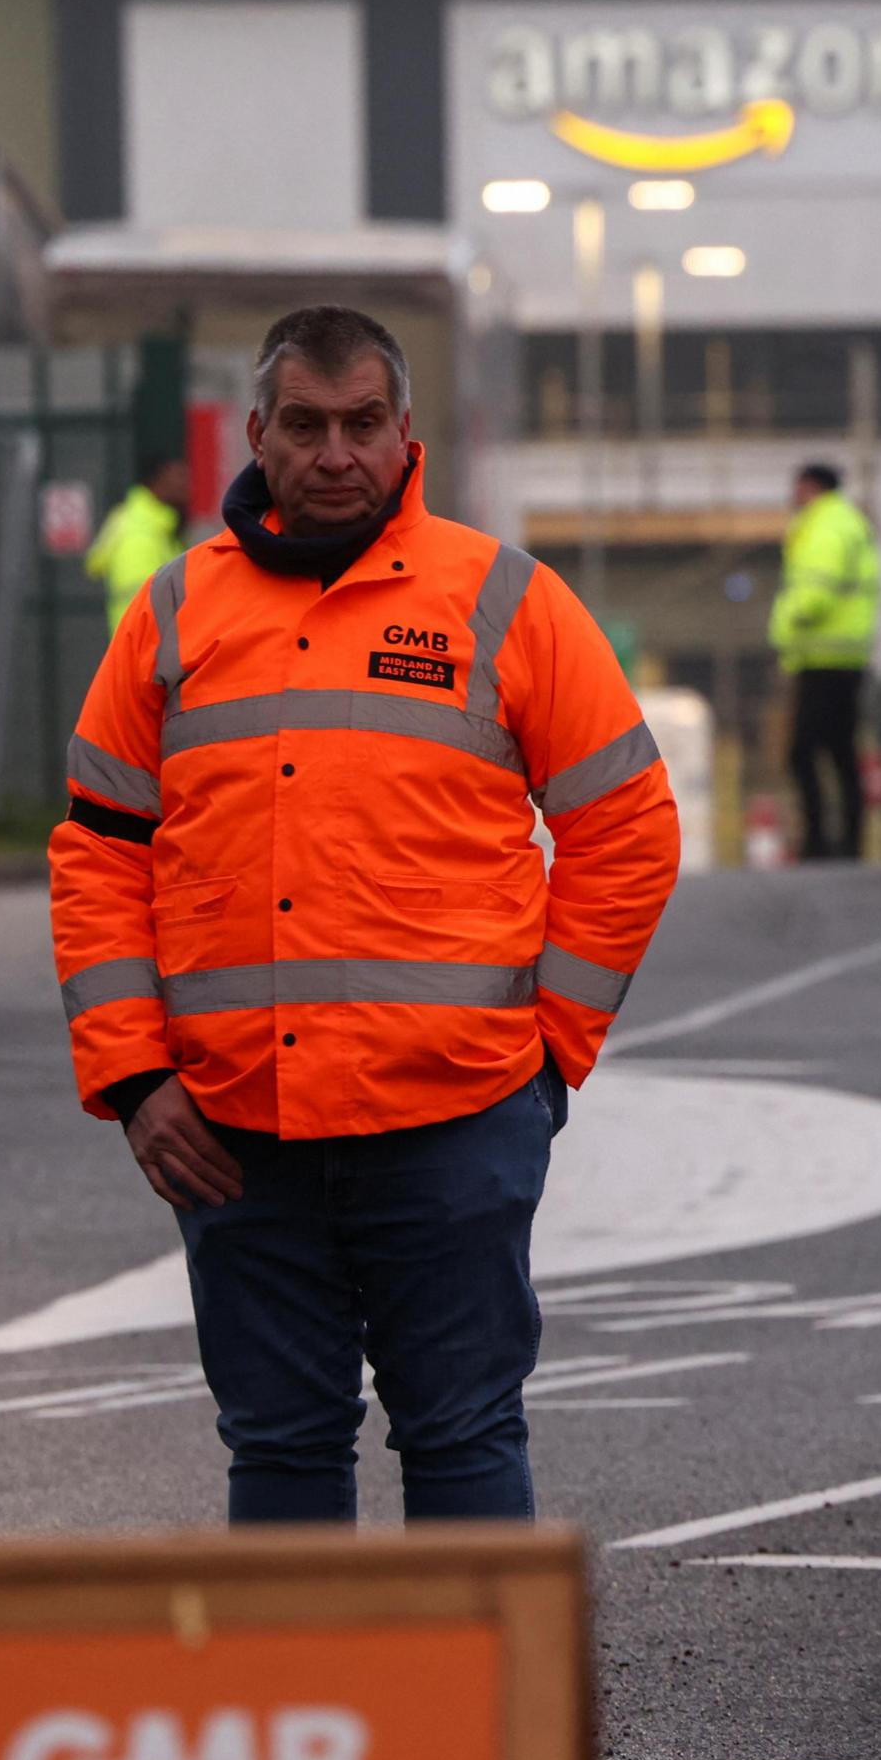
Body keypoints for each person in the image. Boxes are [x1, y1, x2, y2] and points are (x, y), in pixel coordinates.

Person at [47, 305, 681, 1522]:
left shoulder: (504, 600)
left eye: (361, 424)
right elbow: (99, 854)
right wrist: (134, 1079)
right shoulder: (174, 615)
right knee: (280, 1452)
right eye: (305, 425)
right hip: (235, 1134)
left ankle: (476, 1721)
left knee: (462, 1440)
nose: (335, 453)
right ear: (258, 435)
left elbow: (627, 825)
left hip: (453, 1121)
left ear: (406, 435)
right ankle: (305, 1718)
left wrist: (549, 1050)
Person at [770, 461, 880, 861]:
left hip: (822, 656)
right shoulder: (850, 522)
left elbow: (816, 591)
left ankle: (818, 843)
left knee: (803, 753)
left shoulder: (824, 525)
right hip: (847, 655)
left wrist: (787, 620)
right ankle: (851, 843)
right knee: (841, 752)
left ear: (810, 487)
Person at [87, 449, 192, 634]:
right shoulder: (140, 527)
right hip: (145, 641)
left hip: (146, 641)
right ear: (159, 479)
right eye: (179, 475)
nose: (186, 484)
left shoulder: (156, 524)